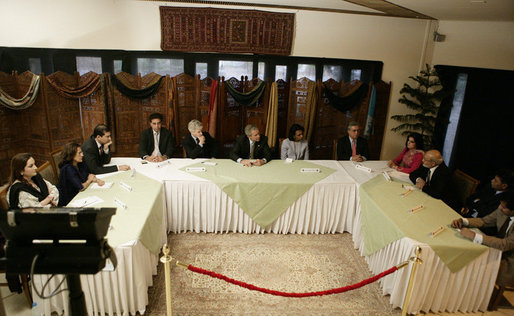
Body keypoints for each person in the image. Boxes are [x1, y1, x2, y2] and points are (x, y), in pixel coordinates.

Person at [451, 191, 514, 287]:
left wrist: (474, 236)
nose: (499, 208)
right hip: (498, 248)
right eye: (500, 205)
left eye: (504, 207)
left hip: (510, 259)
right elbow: (484, 221)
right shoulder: (501, 210)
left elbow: (505, 244)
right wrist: (463, 221)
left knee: (474, 264)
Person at [57, 142, 105, 206]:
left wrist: (97, 180)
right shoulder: (68, 169)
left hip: (80, 195)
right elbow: (81, 187)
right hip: (70, 201)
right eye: (79, 153)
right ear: (71, 155)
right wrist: (89, 180)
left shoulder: (79, 163)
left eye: (82, 152)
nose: (82, 155)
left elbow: (88, 174)